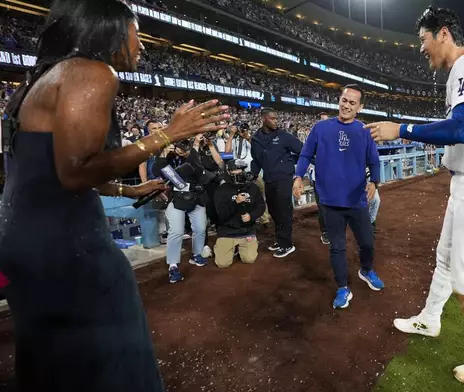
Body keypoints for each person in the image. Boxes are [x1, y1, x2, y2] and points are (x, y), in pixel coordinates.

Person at [0, 1, 229, 390]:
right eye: (136, 34)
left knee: (53, 366)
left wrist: (125, 188)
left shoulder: (32, 85)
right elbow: (75, 171)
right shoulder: (92, 72)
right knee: (112, 365)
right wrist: (166, 135)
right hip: (68, 248)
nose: (141, 46)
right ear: (108, 32)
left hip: (27, 244)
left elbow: (47, 169)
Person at [363, 6, 464, 385]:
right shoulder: (458, 75)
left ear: (444, 34)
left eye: (423, 40)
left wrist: (401, 129)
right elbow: (458, 126)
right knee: (446, 260)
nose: (421, 49)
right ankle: (430, 318)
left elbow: (462, 129)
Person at [294, 84, 384, 309]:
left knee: (367, 242)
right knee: (337, 247)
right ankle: (342, 287)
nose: (347, 105)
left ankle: (366, 270)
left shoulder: (364, 131)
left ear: (359, 107)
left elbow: (374, 160)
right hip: (330, 202)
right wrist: (297, 176)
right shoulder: (320, 128)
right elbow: (305, 154)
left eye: (352, 103)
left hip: (356, 201)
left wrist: (374, 181)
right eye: (344, 100)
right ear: (339, 100)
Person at [153, 134, 224, 283]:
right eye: (177, 146)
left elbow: (196, 164)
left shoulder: (193, 157)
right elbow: (158, 170)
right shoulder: (169, 160)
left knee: (200, 228)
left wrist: (194, 147)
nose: (179, 149)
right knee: (176, 232)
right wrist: (164, 154)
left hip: (197, 196)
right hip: (178, 199)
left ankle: (197, 254)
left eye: (183, 147)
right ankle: (173, 265)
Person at [251, 107, 302, 258]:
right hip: (269, 179)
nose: (275, 121)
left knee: (284, 211)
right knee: (273, 211)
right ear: (263, 119)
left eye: (276, 118)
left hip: (284, 178)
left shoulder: (284, 135)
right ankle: (281, 240)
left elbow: (301, 149)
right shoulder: (256, 138)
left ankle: (287, 244)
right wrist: (252, 174)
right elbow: (256, 160)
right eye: (272, 119)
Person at [213, 160, 266, 268]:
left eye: (240, 170)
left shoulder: (253, 187)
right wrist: (235, 203)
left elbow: (261, 206)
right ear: (228, 172)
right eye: (234, 171)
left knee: (249, 259)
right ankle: (227, 246)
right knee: (222, 263)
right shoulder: (221, 190)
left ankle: (248, 243)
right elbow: (221, 214)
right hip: (227, 231)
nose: (238, 173)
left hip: (247, 231)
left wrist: (252, 216)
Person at [310, 112, 330, 244]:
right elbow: (307, 155)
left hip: (334, 179)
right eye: (321, 120)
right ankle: (325, 232)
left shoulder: (335, 138)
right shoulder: (314, 138)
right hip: (318, 179)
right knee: (323, 208)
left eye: (326, 120)